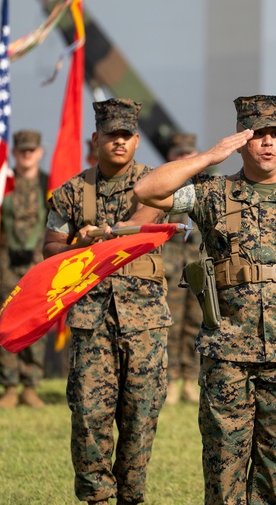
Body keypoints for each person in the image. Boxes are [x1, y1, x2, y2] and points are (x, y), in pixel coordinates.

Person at [134, 95, 276, 505]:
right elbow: (146, 189)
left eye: (275, 134)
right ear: (242, 141)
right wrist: (209, 156)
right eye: (257, 134)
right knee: (223, 472)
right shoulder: (212, 194)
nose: (267, 143)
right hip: (227, 356)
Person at [43, 98, 171, 505]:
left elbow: (154, 216)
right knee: (89, 418)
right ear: (95, 138)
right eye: (110, 135)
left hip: (145, 323)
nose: (118, 142)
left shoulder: (157, 185)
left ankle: (131, 497)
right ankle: (97, 499)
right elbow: (49, 249)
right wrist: (77, 245)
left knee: (140, 418)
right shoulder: (70, 194)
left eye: (126, 135)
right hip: (91, 321)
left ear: (136, 139)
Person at [0, 129, 50, 409]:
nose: (27, 155)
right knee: (7, 322)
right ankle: (9, 386)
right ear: (14, 153)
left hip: (39, 265)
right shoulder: (2, 184)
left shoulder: (50, 183)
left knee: (36, 322)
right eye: (22, 150)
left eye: (31, 150)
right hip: (7, 265)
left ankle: (30, 386)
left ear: (40, 153)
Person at [161, 132, 204, 405]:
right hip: (171, 264)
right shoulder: (162, 187)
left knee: (196, 324)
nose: (184, 159)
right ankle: (171, 380)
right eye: (179, 154)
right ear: (170, 156)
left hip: (198, 264)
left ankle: (191, 378)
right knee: (171, 324)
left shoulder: (207, 188)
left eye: (189, 154)